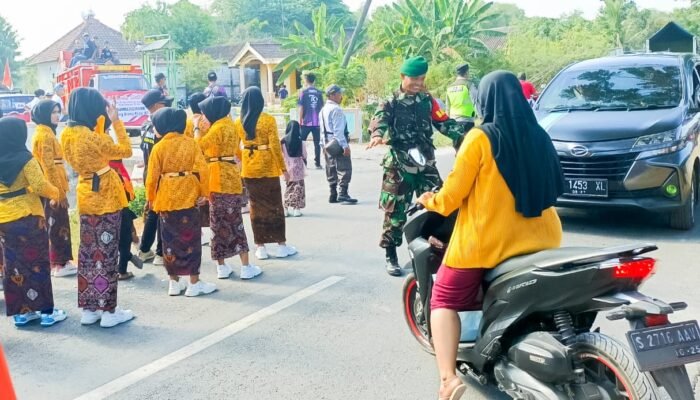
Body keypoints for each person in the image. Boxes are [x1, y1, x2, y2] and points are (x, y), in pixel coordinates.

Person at [416, 70, 564, 400]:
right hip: (546, 240)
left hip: (489, 244)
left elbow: (451, 196)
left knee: (442, 299)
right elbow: (558, 182)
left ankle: (447, 379)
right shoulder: (539, 135)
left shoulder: (481, 138)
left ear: (484, 100)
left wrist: (430, 199)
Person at [367, 56, 465, 277]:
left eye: (421, 78)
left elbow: (443, 122)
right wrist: (377, 135)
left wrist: (466, 137)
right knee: (395, 210)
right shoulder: (390, 101)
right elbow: (380, 120)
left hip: (425, 161)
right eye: (414, 78)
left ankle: (439, 250)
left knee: (440, 204)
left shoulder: (427, 100)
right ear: (403, 77)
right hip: (399, 163)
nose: (418, 83)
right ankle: (391, 255)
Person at [61, 87, 135, 328]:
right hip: (106, 194)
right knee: (107, 254)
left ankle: (90, 308)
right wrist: (116, 122)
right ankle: (109, 311)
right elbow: (125, 149)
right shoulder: (93, 137)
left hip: (85, 193)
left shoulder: (67, 135)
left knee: (89, 254)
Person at [0, 117, 68, 327]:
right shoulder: (25, 159)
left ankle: (23, 313)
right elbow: (39, 186)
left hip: (4, 219)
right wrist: (57, 192)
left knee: (14, 267)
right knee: (37, 264)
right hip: (28, 217)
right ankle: (47, 311)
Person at [145, 107, 217, 297]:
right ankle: (194, 283)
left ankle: (174, 283)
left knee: (170, 242)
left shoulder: (159, 147)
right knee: (191, 240)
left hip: (166, 197)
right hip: (188, 194)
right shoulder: (190, 143)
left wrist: (151, 198)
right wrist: (204, 192)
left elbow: (151, 178)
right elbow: (203, 169)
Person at [196, 96, 262, 280]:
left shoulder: (218, 127)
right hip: (230, 176)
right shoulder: (229, 125)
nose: (203, 116)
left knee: (218, 223)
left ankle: (222, 265)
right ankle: (245, 265)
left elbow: (199, 145)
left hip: (217, 177)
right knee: (235, 222)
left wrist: (196, 128)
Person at [235, 87, 297, 260]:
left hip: (249, 168)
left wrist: (246, 157)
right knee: (275, 206)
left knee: (255, 207)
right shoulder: (268, 120)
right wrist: (283, 169)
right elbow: (276, 147)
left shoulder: (238, 122)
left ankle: (260, 246)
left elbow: (234, 149)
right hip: (267, 167)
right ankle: (281, 245)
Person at [30, 100, 77, 277]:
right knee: (57, 224)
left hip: (53, 185)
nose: (57, 115)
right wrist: (56, 193)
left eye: (58, 111)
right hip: (52, 188)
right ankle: (59, 263)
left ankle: (59, 261)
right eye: (53, 112)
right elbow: (48, 166)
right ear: (44, 115)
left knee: (57, 222)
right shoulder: (45, 136)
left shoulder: (46, 133)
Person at [137, 89, 173, 266]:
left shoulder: (145, 126)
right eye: (163, 102)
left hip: (149, 174)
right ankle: (160, 252)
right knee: (161, 212)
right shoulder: (161, 126)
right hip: (160, 175)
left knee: (153, 212)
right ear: (155, 106)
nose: (166, 105)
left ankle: (145, 249)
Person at [320, 84, 357, 205]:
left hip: (326, 142)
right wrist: (345, 146)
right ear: (333, 95)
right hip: (336, 141)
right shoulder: (336, 109)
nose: (342, 96)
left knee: (330, 167)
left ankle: (333, 193)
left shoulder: (323, 109)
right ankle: (343, 193)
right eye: (340, 94)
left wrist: (323, 145)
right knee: (344, 167)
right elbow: (339, 131)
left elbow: (321, 129)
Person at [297, 73, 324, 169]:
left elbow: (301, 107)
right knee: (317, 143)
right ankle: (317, 163)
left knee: (302, 142)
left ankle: (303, 162)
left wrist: (300, 120)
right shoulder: (319, 92)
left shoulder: (303, 92)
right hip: (317, 122)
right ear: (314, 80)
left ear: (306, 80)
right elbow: (322, 108)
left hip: (305, 122)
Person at [280, 121, 307, 217]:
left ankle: (285, 208)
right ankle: (296, 209)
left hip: (287, 167)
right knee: (298, 188)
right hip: (298, 168)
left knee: (289, 187)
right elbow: (304, 155)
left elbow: (280, 154)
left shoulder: (282, 141)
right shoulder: (300, 141)